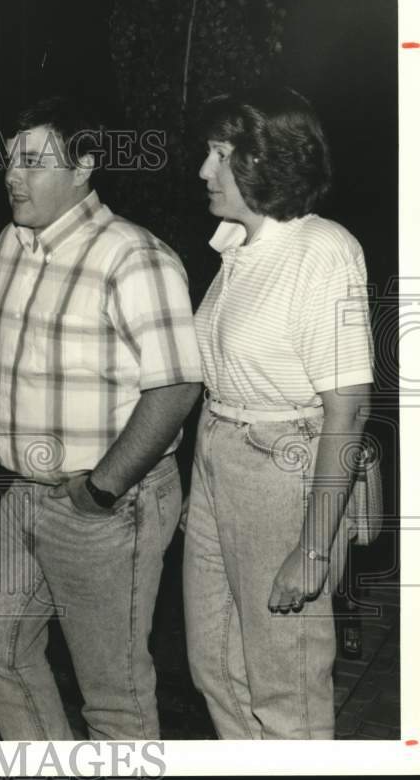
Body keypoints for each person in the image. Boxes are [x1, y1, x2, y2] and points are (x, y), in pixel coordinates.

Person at [0, 95, 203, 740]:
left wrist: (102, 487)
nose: (12, 174)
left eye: (34, 161)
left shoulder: (133, 256)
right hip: (27, 492)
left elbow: (177, 386)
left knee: (114, 698)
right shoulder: (11, 243)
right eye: (9, 159)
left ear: (85, 167)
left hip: (106, 502)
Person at [184, 87, 373, 739]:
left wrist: (314, 548)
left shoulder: (321, 250)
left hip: (283, 470)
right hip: (218, 463)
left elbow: (348, 408)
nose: (204, 170)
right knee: (215, 668)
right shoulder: (238, 246)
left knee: (284, 690)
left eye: (218, 155)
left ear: (262, 161)